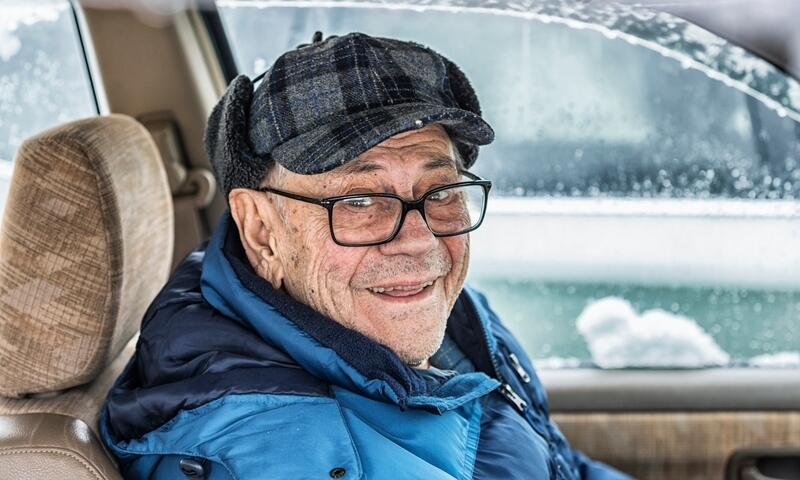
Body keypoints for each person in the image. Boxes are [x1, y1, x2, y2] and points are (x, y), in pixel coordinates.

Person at [100, 32, 630, 480]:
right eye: (358, 201)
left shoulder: (435, 315)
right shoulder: (280, 455)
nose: (419, 240)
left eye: (441, 191)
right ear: (262, 231)